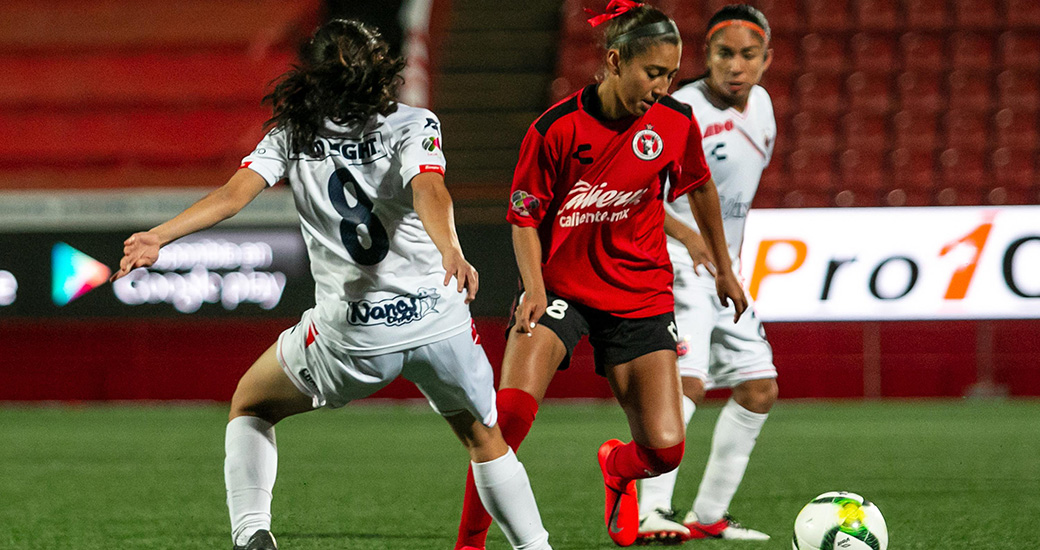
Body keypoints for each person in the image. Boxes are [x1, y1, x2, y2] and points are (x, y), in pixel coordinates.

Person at [111, 19, 552, 550]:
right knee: (485, 439)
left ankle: (251, 532)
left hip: (354, 333)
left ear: (312, 76)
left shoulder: (291, 133)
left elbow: (232, 195)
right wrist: (451, 250)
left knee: (252, 405)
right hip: (438, 317)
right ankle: (535, 547)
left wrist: (158, 236)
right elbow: (430, 190)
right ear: (380, 69)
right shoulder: (412, 122)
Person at [452, 2, 747, 548]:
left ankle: (616, 467)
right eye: (653, 73)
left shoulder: (675, 123)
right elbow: (522, 217)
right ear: (614, 60)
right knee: (507, 424)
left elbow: (700, 186)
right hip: (560, 290)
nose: (662, 87)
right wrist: (534, 288)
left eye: (671, 76)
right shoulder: (555, 129)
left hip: (640, 293)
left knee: (664, 451)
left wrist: (724, 270)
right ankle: (469, 543)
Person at [635, 5, 777, 543]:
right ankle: (651, 510)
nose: (735, 66)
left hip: (724, 269)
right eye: (724, 54)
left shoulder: (762, 107)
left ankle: (709, 515)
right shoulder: (678, 111)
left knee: (758, 388)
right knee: (686, 382)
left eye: (747, 55)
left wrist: (724, 258)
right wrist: (688, 236)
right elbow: (638, 192)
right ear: (705, 57)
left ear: (767, 61)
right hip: (674, 261)